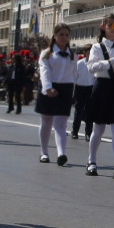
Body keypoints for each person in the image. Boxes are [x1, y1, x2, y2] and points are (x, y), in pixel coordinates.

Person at [85, 15, 114, 179]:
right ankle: (92, 162)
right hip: (102, 86)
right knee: (99, 128)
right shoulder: (97, 47)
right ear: (103, 26)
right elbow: (91, 67)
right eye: (110, 25)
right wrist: (111, 61)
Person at [37, 23, 77, 167]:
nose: (64, 37)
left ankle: (61, 153)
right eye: (61, 34)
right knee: (46, 123)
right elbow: (44, 72)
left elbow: (74, 75)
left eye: (67, 35)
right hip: (49, 87)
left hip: (65, 89)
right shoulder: (46, 53)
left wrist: (73, 93)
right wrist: (48, 88)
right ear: (55, 36)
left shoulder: (73, 55)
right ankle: (44, 152)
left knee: (61, 124)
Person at [72, 52, 95, 140]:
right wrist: (73, 91)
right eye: (90, 52)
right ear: (85, 53)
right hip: (80, 88)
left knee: (90, 112)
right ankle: (75, 132)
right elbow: (75, 76)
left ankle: (88, 133)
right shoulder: (80, 63)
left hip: (91, 88)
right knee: (79, 111)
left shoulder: (95, 63)